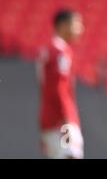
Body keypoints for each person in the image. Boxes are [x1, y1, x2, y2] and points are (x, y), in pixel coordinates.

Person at [38, 9, 84, 159]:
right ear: (63, 25)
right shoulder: (59, 52)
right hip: (61, 122)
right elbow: (58, 88)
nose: (80, 29)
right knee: (69, 156)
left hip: (51, 119)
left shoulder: (49, 50)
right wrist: (66, 118)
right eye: (77, 24)